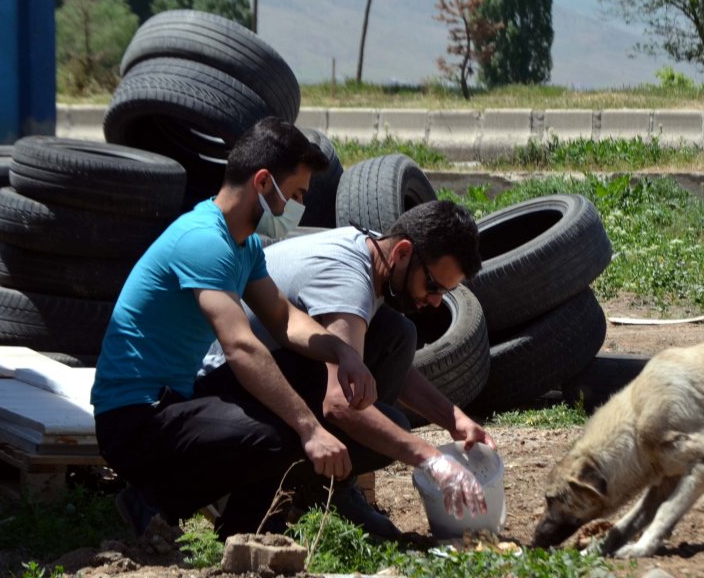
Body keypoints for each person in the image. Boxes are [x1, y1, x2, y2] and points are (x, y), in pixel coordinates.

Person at [91, 117, 376, 539]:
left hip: (174, 401)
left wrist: (342, 353)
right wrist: (310, 428)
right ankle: (152, 502)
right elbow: (241, 347)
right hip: (135, 419)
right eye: (295, 194)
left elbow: (282, 318)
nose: (296, 208)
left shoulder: (245, 245)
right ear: (263, 183)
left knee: (302, 385)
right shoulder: (204, 240)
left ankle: (247, 527)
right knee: (281, 433)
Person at [197, 199, 493, 539]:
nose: (436, 301)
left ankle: (326, 487)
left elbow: (367, 363)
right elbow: (339, 406)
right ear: (403, 252)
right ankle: (259, 506)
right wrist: (432, 459)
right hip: (221, 399)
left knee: (397, 334)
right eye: (433, 287)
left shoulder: (374, 251)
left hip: (253, 382)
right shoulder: (347, 281)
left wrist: (454, 419)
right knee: (388, 427)